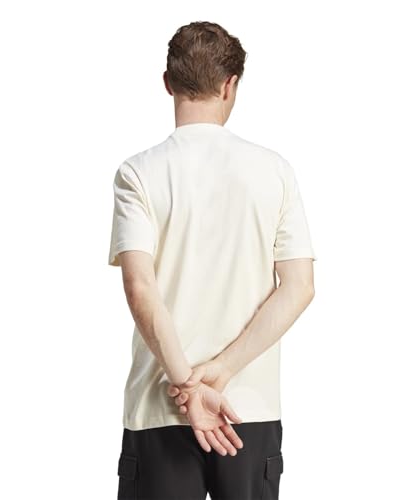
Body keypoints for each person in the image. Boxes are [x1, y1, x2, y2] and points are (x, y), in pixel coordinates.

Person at [108, 20, 317, 500]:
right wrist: (221, 371)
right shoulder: (274, 171)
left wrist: (187, 384)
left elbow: (140, 288)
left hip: (160, 407)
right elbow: (299, 285)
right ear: (230, 85)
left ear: (168, 83)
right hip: (247, 409)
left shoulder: (138, 173)